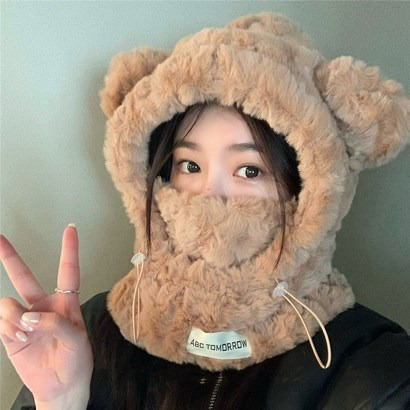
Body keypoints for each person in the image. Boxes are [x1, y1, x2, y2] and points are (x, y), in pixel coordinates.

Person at [1, 12, 410, 410]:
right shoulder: (91, 331)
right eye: (190, 166)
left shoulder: (372, 372)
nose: (209, 194)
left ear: (308, 191)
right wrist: (60, 401)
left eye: (249, 170)